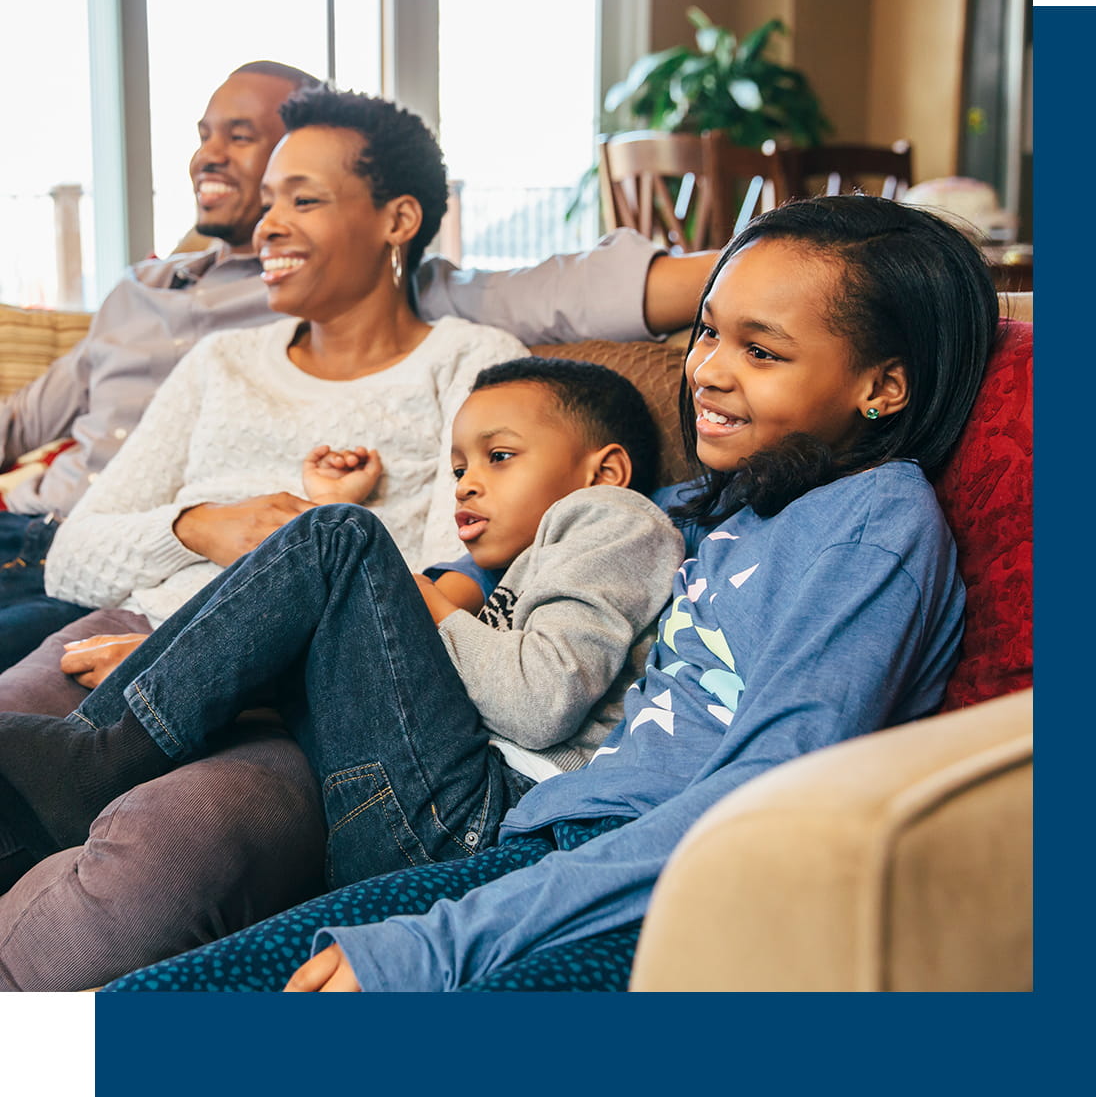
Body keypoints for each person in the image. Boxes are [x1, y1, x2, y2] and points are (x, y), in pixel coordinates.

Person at [92, 193, 999, 993]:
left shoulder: (874, 527)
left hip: (646, 886)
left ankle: (83, 761)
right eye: (709, 333)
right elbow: (511, 578)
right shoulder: (732, 503)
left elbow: (767, 797)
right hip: (544, 841)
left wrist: (449, 940)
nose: (708, 370)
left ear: (883, 387)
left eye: (760, 351)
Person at [0, 63, 717, 673]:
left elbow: (445, 587)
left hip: (266, 667)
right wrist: (197, 526)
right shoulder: (209, 347)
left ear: (396, 221)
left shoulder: (470, 358)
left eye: (302, 198)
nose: (267, 225)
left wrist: (759, 264)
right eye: (271, 201)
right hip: (122, 609)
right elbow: (73, 553)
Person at [0, 357, 685, 894]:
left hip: (489, 824)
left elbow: (538, 703)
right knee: (334, 547)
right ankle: (75, 771)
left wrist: (423, 600)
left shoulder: (615, 519)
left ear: (606, 471)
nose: (466, 484)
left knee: (338, 536)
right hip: (419, 819)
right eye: (457, 468)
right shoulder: (509, 571)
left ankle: (96, 757)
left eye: (498, 457)